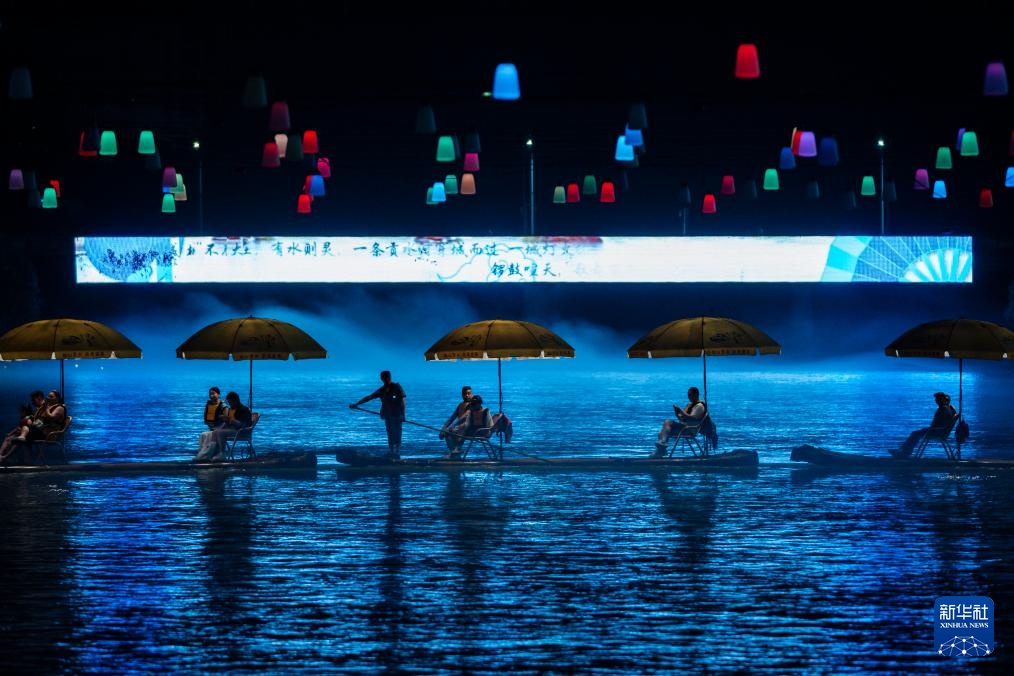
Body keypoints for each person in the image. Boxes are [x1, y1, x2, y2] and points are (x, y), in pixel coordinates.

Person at [351, 370, 406, 459]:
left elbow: (402, 402)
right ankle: (392, 452)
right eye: (384, 378)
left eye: (386, 378)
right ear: (382, 379)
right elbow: (369, 397)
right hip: (387, 416)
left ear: (389, 377)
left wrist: (403, 415)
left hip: (397, 416)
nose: (385, 380)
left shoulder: (397, 387)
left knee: (397, 434)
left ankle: (396, 453)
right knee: (390, 434)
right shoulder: (382, 390)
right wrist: (357, 404)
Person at [892, 391, 958, 458]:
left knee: (915, 434)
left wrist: (929, 429)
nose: (936, 401)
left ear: (941, 399)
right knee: (917, 433)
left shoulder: (942, 409)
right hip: (940, 431)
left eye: (937, 399)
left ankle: (904, 453)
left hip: (936, 432)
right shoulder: (948, 408)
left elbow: (935, 423)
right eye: (936, 399)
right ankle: (904, 451)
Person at [652, 386, 707, 458]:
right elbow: (682, 419)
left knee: (667, 422)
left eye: (690, 395)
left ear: (696, 395)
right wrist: (677, 413)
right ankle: (661, 451)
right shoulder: (689, 405)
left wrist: (681, 410)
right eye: (688, 395)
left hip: (689, 429)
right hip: (684, 428)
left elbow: (691, 417)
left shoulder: (699, 406)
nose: (689, 397)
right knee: (662, 433)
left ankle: (662, 444)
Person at [443, 395, 493, 460]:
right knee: (448, 432)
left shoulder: (486, 411)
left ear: (479, 403)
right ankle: (454, 452)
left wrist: (485, 431)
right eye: (473, 404)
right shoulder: (471, 412)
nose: (474, 406)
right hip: (472, 432)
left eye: (475, 404)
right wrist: (455, 428)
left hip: (483, 432)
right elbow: (467, 424)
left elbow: (490, 425)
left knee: (463, 431)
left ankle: (457, 450)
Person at [210, 391, 253, 461]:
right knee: (215, 432)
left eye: (231, 402)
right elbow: (227, 423)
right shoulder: (231, 410)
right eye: (229, 402)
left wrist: (230, 419)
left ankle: (222, 453)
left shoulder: (243, 410)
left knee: (221, 433)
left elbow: (242, 425)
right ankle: (213, 452)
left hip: (241, 432)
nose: (230, 404)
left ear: (235, 401)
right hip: (232, 430)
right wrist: (222, 424)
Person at [194, 386, 227, 461]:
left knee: (209, 436)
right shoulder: (208, 404)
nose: (211, 395)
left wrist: (220, 428)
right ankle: (202, 453)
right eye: (210, 394)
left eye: (213, 393)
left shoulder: (223, 406)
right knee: (202, 435)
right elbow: (206, 415)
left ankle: (205, 456)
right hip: (212, 427)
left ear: (218, 394)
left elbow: (226, 420)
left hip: (220, 429)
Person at [439, 385, 474, 453]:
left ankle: (456, 451)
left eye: (468, 393)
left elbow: (466, 414)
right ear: (462, 395)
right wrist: (443, 429)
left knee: (451, 431)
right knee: (446, 431)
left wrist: (454, 425)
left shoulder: (473, 404)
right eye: (464, 394)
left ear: (471, 394)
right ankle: (454, 451)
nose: (466, 395)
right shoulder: (460, 405)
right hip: (460, 428)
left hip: (468, 428)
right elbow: (452, 417)